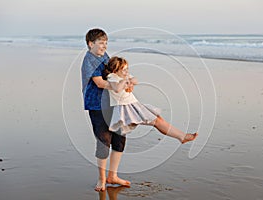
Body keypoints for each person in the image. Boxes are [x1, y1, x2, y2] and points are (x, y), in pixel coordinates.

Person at [104, 56, 198, 143]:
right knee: (156, 121)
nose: (126, 72)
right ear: (115, 71)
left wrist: (129, 81)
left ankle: (181, 136)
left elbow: (135, 80)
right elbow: (116, 89)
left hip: (134, 104)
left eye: (127, 69)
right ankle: (182, 136)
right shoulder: (112, 77)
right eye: (123, 70)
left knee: (158, 119)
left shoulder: (124, 76)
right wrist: (125, 81)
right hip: (126, 107)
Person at [81, 29, 130, 192]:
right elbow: (100, 83)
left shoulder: (104, 56)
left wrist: (125, 81)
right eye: (101, 43)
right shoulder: (89, 59)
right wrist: (119, 86)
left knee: (119, 138)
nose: (104, 46)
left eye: (106, 43)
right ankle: (102, 179)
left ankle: (113, 176)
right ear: (90, 44)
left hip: (113, 102)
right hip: (97, 105)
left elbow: (112, 73)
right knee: (104, 141)